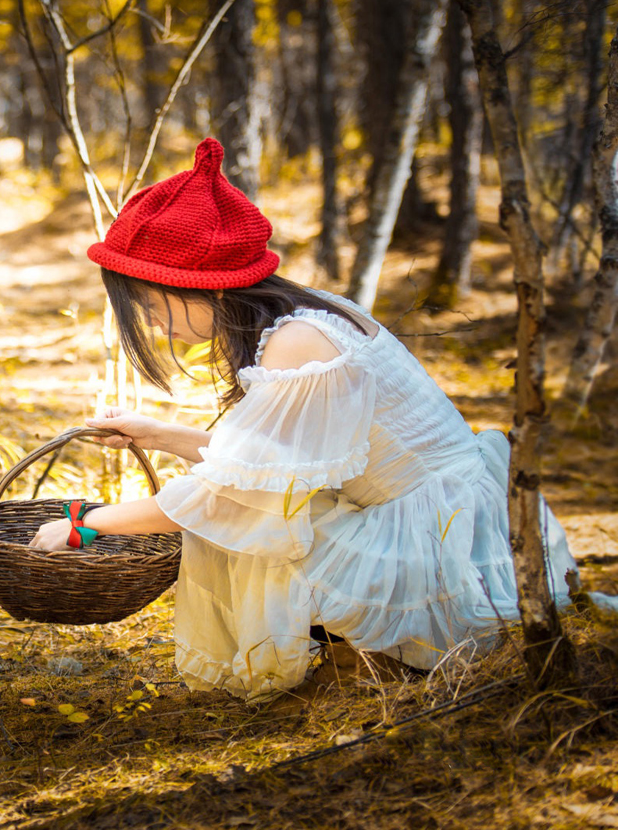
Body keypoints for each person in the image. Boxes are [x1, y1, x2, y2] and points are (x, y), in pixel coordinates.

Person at [28, 137, 582, 703]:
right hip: (445, 514)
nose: (154, 326)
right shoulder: (305, 312)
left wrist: (90, 523)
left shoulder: (299, 343)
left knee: (249, 535)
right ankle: (354, 654)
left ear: (196, 287)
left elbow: (231, 497)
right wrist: (163, 436)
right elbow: (273, 466)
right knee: (262, 518)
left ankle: (365, 659)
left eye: (150, 306)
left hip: (434, 541)